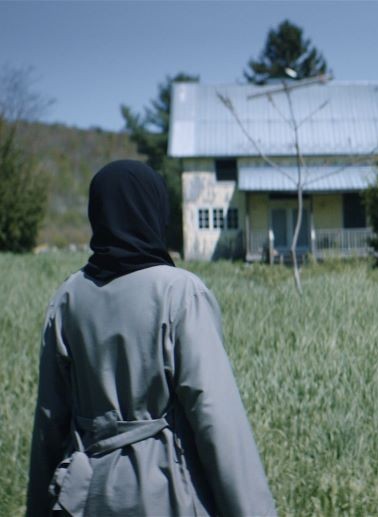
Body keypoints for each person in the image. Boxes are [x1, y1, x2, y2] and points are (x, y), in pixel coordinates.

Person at [27, 161, 276, 516]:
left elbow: (48, 425)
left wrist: (36, 508)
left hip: (83, 497)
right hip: (166, 492)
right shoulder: (179, 293)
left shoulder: (69, 297)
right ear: (153, 211)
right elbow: (217, 419)